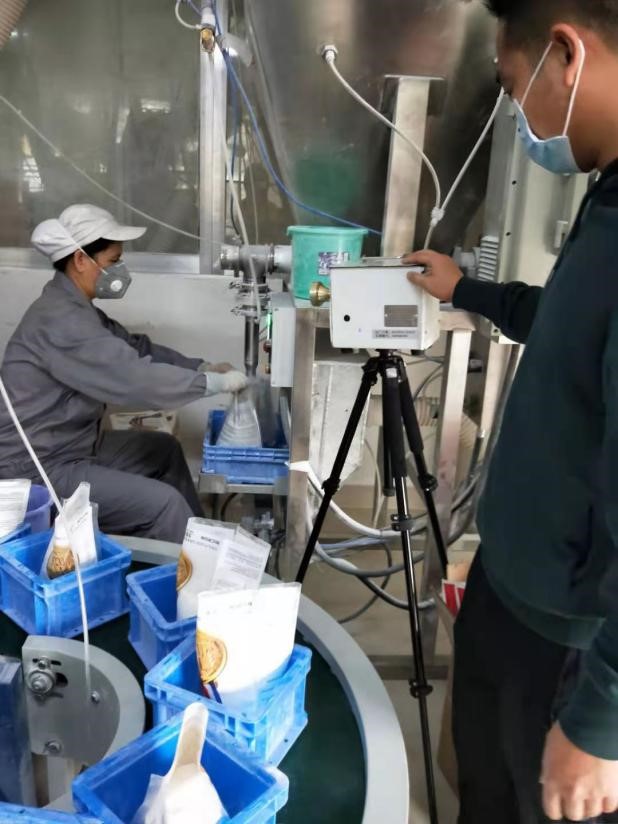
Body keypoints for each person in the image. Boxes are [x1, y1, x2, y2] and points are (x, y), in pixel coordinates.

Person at [405, 2, 618, 822]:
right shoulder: (605, 196)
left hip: (571, 641)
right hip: (510, 586)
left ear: (566, 55)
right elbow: (566, 322)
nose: (518, 112)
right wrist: (469, 290)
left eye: (511, 84)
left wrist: (600, 720)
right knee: (483, 785)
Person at [0, 204, 248, 543]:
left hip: (75, 445)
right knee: (164, 506)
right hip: (39, 469)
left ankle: (201, 544)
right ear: (81, 259)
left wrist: (200, 367)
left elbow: (135, 348)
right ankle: (195, 571)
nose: (119, 269)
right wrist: (211, 383)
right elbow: (133, 377)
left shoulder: (76, 308)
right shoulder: (62, 321)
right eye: (113, 260)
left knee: (163, 451)